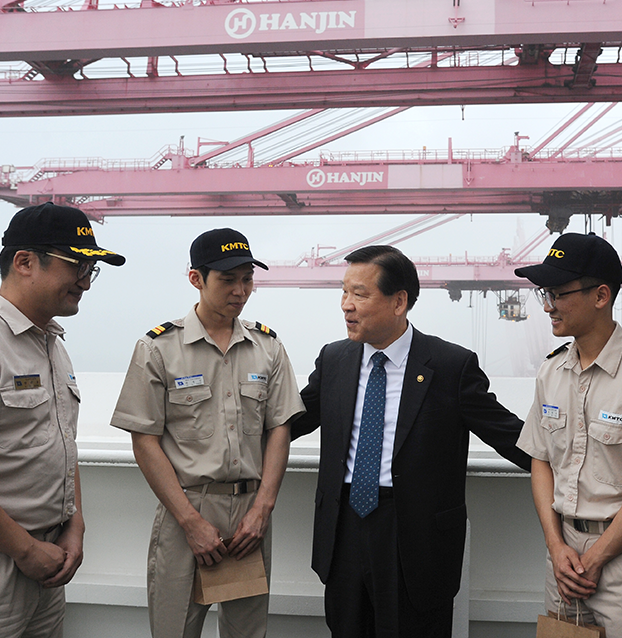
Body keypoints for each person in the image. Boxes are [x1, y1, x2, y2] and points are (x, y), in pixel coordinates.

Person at [290, 244, 532, 638]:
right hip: (344, 531)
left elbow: (511, 437)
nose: (346, 305)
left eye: (360, 294)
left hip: (416, 541)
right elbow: (290, 422)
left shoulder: (450, 366)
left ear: (399, 301)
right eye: (344, 291)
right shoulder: (334, 359)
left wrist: (578, 474)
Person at [110, 228, 304, 638]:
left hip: (250, 514)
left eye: (247, 279)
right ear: (197, 279)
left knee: (247, 632)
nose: (241, 290)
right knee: (174, 629)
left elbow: (279, 429)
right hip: (187, 510)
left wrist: (262, 509)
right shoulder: (159, 348)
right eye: (228, 279)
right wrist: (190, 522)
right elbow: (144, 440)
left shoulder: (268, 347)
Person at [515, 232, 622, 637]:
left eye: (558, 293)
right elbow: (541, 461)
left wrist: (598, 556)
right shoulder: (551, 370)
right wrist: (555, 546)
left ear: (601, 296)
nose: (548, 306)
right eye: (544, 294)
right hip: (562, 556)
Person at [0, 201, 125, 638]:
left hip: (49, 557)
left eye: (92, 270)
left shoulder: (52, 343)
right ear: (24, 262)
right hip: (12, 556)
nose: (85, 283)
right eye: (77, 266)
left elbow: (60, 440)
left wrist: (75, 524)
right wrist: (25, 549)